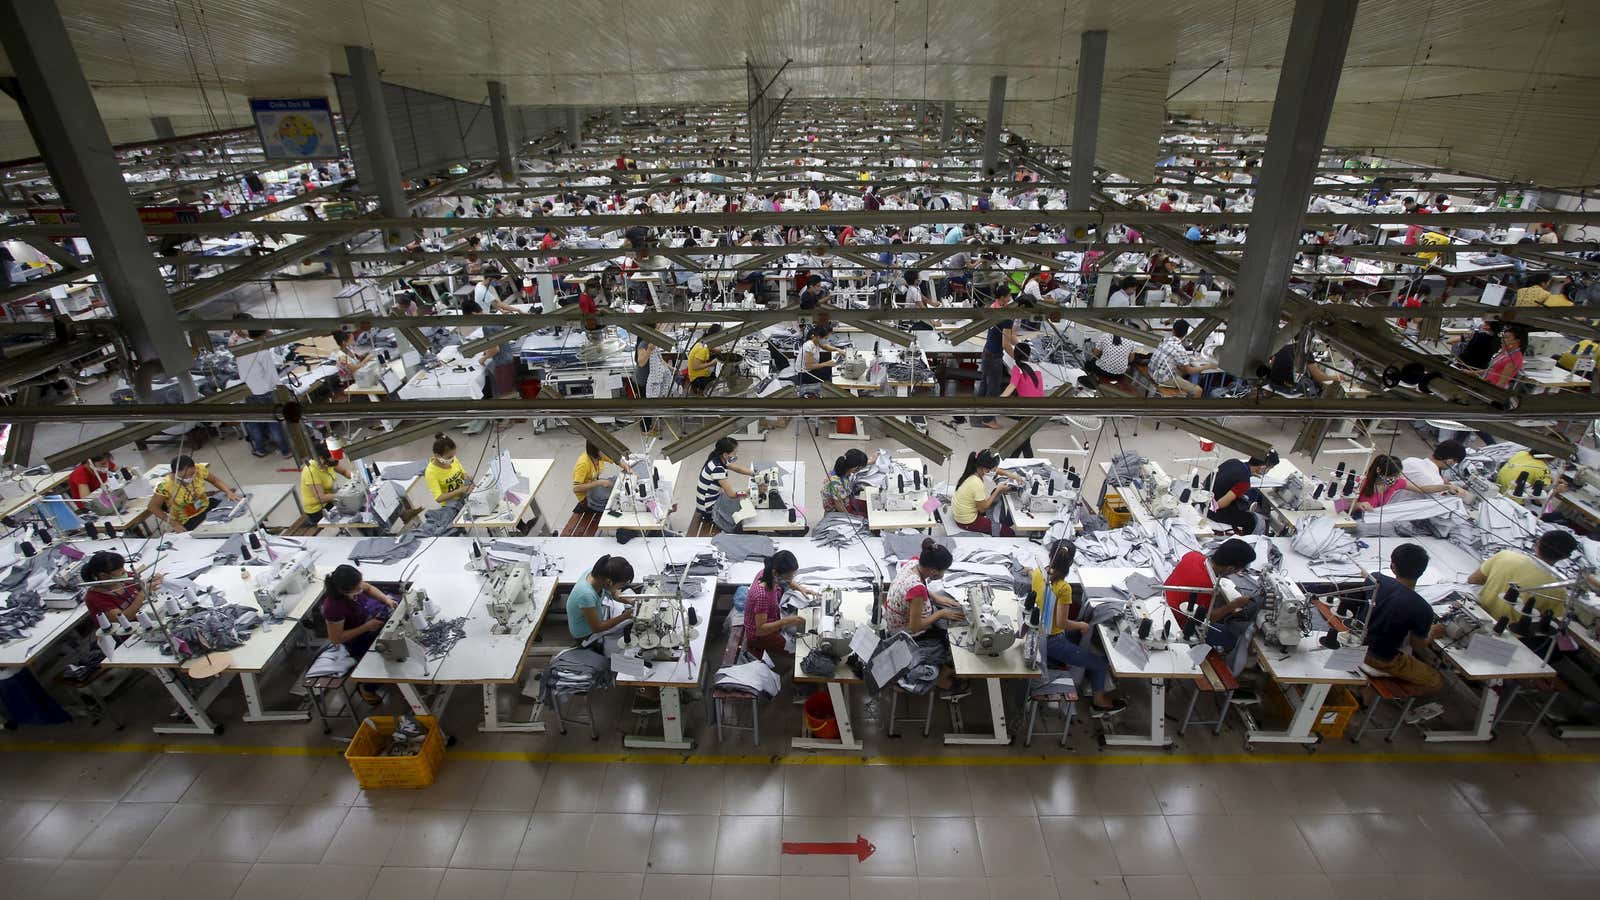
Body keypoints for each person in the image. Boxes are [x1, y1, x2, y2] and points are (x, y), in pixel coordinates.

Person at [1033, 543, 1126, 715]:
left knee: (1080, 631)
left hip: (1040, 630)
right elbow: (1062, 623)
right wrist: (1082, 625)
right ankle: (1098, 702)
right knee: (1101, 664)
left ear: (1050, 554)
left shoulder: (1038, 572)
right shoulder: (1063, 587)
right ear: (1070, 562)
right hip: (1052, 640)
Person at [883, 538, 966, 693]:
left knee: (943, 598)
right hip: (907, 636)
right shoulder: (917, 591)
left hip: (896, 621)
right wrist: (942, 613)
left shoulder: (913, 563)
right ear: (934, 571)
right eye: (943, 571)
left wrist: (935, 597)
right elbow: (915, 627)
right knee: (955, 649)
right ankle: (942, 680)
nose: (943, 574)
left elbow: (914, 588)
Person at [1361, 543, 1444, 694]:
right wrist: (1435, 632)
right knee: (1436, 681)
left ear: (1393, 566)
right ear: (1422, 571)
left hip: (1357, 643)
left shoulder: (1375, 579)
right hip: (1381, 658)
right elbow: (1418, 645)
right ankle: (1390, 694)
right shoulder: (1423, 608)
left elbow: (1365, 575)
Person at [320, 564, 399, 705]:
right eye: (357, 588)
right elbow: (336, 639)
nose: (360, 588)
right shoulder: (333, 608)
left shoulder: (353, 584)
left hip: (367, 619)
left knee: (397, 613)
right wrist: (366, 627)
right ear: (342, 590)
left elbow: (368, 588)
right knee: (380, 657)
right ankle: (367, 688)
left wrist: (386, 600)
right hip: (355, 640)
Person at [1162, 538, 1259, 652]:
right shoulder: (1206, 586)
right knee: (1235, 637)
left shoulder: (1193, 555)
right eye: (1238, 570)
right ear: (1230, 568)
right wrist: (1234, 605)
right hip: (1180, 624)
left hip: (1165, 601)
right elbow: (1209, 619)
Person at [1468, 529, 1578, 621]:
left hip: (1477, 616)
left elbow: (1473, 580)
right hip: (1507, 637)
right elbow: (1549, 621)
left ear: (1537, 543)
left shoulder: (1505, 556)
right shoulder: (1558, 590)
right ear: (1565, 557)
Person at [232, 317, 292, 458]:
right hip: (265, 391)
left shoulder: (240, 344)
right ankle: (286, 451)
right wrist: (281, 390)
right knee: (274, 423)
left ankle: (260, 449)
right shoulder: (262, 352)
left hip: (248, 389)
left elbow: (244, 335)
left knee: (255, 422)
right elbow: (272, 376)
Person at [741, 551, 816, 661]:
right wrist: (786, 621)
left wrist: (801, 589)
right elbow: (760, 630)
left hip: (773, 616)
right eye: (789, 575)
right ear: (776, 573)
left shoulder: (767, 573)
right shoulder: (762, 595)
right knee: (800, 651)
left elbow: (788, 580)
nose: (792, 578)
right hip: (759, 636)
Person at [148, 455, 240, 533]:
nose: (189, 477)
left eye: (192, 473)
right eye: (185, 476)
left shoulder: (198, 469)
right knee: (213, 531)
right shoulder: (165, 486)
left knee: (235, 510)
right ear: (175, 473)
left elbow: (215, 480)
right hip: (188, 518)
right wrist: (173, 523)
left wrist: (228, 492)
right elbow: (152, 507)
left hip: (205, 505)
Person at [566, 555, 636, 646]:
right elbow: (597, 628)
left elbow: (614, 593)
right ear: (609, 582)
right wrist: (625, 616)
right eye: (620, 586)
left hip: (597, 618)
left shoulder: (599, 574)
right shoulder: (586, 595)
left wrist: (630, 601)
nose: (620, 589)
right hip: (586, 635)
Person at [951, 448, 1021, 536]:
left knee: (996, 495)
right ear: (985, 469)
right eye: (993, 469)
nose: (995, 470)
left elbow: (996, 471)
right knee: (1009, 533)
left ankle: (1003, 523)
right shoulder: (976, 483)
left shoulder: (973, 470)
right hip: (967, 521)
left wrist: (1011, 475)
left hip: (963, 511)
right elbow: (983, 509)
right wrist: (998, 490)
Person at [80, 551, 162, 625]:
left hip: (147, 617)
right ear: (103, 575)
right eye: (121, 571)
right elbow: (124, 618)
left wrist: (151, 581)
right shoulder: (95, 598)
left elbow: (141, 585)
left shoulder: (124, 577)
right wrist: (143, 593)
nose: (125, 572)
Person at [1206, 452, 1275, 534]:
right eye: (1269, 469)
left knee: (1246, 497)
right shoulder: (1244, 482)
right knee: (1252, 521)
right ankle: (1245, 540)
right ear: (1263, 468)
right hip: (1212, 510)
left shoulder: (1233, 461)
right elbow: (1221, 504)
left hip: (1205, 496)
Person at [694, 436, 755, 525]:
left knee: (742, 497)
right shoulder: (717, 469)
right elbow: (732, 495)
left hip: (705, 503)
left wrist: (755, 474)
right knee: (744, 504)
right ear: (725, 454)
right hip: (709, 510)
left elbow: (738, 469)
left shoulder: (717, 459)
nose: (736, 455)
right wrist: (752, 490)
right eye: (734, 453)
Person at [1396, 440, 1472, 502]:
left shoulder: (1410, 460)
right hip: (1399, 512)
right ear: (1450, 461)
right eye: (1455, 463)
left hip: (1387, 502)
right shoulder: (1436, 481)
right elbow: (1438, 504)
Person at [571, 441, 634, 513]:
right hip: (586, 497)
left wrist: (627, 468)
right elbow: (576, 488)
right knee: (616, 499)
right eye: (603, 449)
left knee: (619, 480)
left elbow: (616, 459)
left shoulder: (599, 455)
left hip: (595, 486)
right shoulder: (583, 464)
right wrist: (599, 483)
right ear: (595, 451)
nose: (606, 452)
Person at [976, 315, 1016, 429]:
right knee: (993, 389)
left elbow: (1011, 337)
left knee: (984, 384)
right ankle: (988, 419)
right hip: (994, 356)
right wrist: (1017, 357)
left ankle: (977, 410)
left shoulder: (1001, 312)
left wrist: (1019, 346)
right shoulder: (1008, 319)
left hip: (987, 352)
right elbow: (1005, 344)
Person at [1147, 320, 1205, 397]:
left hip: (1151, 371)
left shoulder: (1164, 340)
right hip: (1161, 378)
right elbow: (1189, 371)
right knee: (1198, 390)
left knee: (1181, 372)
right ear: (1186, 334)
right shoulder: (1180, 348)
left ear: (1173, 330)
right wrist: (1207, 367)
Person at [299, 445, 353, 526]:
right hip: (318, 509)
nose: (336, 460)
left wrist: (356, 477)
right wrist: (343, 495)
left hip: (331, 500)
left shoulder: (330, 462)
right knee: (352, 511)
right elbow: (321, 498)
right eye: (333, 457)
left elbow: (344, 471)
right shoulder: (311, 471)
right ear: (321, 458)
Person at [1343, 455, 1408, 515]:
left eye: (1398, 476)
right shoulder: (1361, 482)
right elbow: (1338, 506)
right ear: (1379, 470)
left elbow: (1417, 487)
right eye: (1391, 476)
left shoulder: (1396, 482)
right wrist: (1358, 505)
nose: (1395, 479)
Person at [424, 433, 471, 507]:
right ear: (437, 455)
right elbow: (439, 498)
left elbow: (463, 473)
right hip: (451, 504)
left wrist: (467, 480)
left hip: (463, 494)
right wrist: (460, 490)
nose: (452, 459)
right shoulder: (431, 473)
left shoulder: (452, 459)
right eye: (449, 457)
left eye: (454, 455)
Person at [821, 449, 870, 516]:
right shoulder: (836, 483)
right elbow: (839, 507)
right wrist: (852, 518)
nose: (860, 470)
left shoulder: (843, 470)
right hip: (838, 511)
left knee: (868, 506)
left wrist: (871, 462)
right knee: (868, 517)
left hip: (846, 501)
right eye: (860, 468)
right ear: (855, 467)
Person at [1484, 325, 1527, 389]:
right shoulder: (1506, 352)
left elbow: (1501, 383)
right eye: (1503, 337)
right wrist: (1473, 372)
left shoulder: (1514, 358)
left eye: (1506, 338)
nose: (1502, 340)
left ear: (1517, 341)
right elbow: (1492, 369)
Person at [687, 325, 720, 395]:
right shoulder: (702, 349)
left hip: (701, 374)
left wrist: (717, 350)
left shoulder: (703, 342)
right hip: (697, 378)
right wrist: (712, 363)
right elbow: (695, 367)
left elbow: (709, 348)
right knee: (719, 382)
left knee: (716, 374)